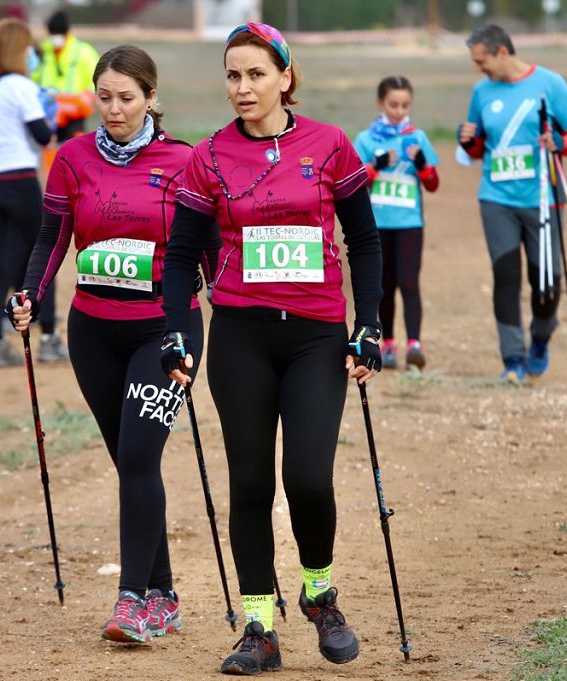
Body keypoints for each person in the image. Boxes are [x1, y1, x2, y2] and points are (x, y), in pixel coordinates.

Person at [159, 22, 383, 676]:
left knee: (307, 477)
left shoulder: (330, 145)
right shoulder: (210, 156)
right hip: (241, 337)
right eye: (232, 75)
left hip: (316, 335)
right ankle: (258, 623)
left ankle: (320, 594)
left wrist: (367, 323)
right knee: (251, 482)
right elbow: (178, 259)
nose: (242, 87)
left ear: (285, 76)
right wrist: (178, 325)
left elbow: (365, 241)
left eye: (255, 73)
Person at [7, 45, 218, 644]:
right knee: (130, 460)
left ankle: (132, 601)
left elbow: (209, 251)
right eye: (104, 97)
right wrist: (28, 294)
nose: (114, 109)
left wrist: (232, 302)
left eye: (127, 98)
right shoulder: (71, 158)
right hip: (93, 331)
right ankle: (165, 594)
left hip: (166, 330)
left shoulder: (185, 160)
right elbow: (52, 238)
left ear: (152, 98)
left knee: (137, 457)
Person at [458, 24, 567, 383]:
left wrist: (559, 142)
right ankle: (512, 358)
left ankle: (541, 336)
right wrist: (468, 141)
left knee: (546, 280)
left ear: (502, 53)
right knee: (505, 276)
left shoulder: (551, 84)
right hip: (496, 198)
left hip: (544, 199)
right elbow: (480, 147)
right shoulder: (482, 92)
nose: (478, 69)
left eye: (481, 61)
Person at [0, 18, 66, 367]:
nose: (31, 54)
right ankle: (50, 336)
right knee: (41, 258)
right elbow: (42, 136)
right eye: (28, 48)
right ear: (16, 50)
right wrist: (48, 117)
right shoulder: (19, 85)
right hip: (18, 179)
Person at [354, 76, 440, 370]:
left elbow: (432, 184)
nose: (399, 111)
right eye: (393, 104)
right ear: (380, 103)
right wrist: (375, 165)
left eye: (405, 105)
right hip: (377, 224)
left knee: (409, 282)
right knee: (384, 285)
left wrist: (421, 165)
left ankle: (414, 344)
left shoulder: (418, 138)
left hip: (409, 222)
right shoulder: (366, 140)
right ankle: (388, 343)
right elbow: (355, 183)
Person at [32, 10, 100, 143]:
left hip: (74, 112)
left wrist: (85, 101)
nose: (55, 38)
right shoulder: (43, 51)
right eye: (52, 33)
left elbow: (96, 80)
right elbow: (35, 77)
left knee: (76, 149)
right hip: (48, 110)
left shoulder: (83, 51)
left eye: (58, 33)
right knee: (50, 149)